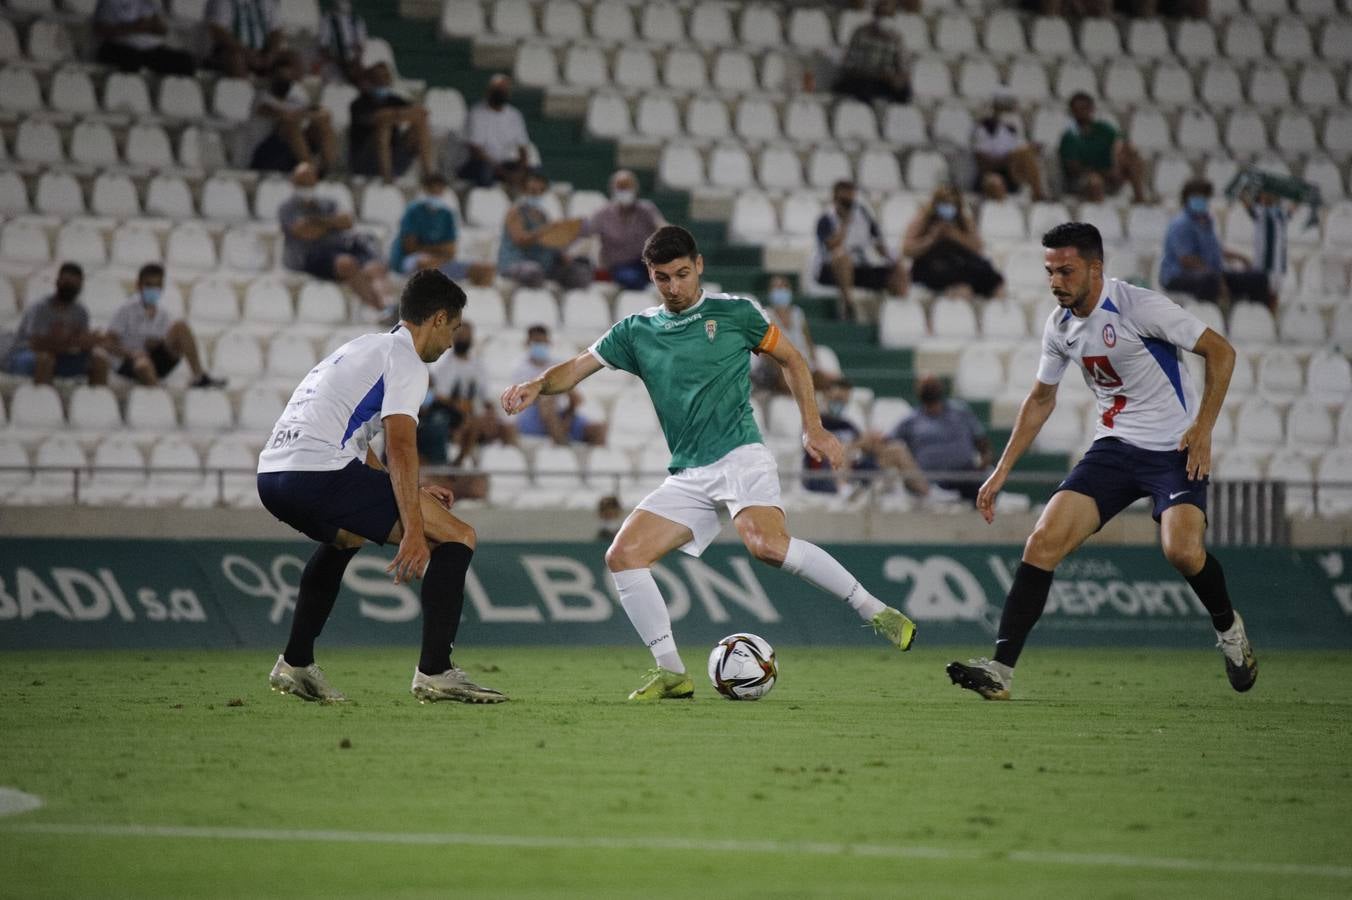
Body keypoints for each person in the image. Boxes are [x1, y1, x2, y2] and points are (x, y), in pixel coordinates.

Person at [501, 225, 918, 701]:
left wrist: (814, 427)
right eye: (663, 278)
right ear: (650, 276)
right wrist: (538, 384)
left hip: (740, 453)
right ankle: (672, 673)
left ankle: (875, 610)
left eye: (682, 274)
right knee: (623, 556)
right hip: (689, 473)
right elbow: (576, 367)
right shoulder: (636, 331)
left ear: (699, 266)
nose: (674, 287)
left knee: (765, 545)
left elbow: (794, 360)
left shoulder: (735, 313)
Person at [947, 222, 1256, 701]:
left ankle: (1230, 632)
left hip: (1173, 449)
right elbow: (1040, 400)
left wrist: (1203, 428)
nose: (1056, 281)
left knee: (1182, 552)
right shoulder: (1060, 325)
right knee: (1042, 541)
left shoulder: (1138, 306)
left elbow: (1221, 351)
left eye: (1066, 271)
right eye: (1050, 271)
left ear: (1096, 268)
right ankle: (1000, 671)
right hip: (1113, 449)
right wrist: (1001, 470)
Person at [257, 270, 506, 704]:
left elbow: (357, 445)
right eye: (454, 329)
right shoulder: (406, 359)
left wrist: (412, 493)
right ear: (439, 318)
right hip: (319, 472)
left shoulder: (362, 347)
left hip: (274, 474)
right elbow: (401, 445)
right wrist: (414, 528)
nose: (451, 343)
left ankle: (296, 664)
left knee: (347, 537)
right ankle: (436, 671)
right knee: (457, 535)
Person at [278, 162, 390, 314]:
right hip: (310, 256)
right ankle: (380, 309)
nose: (306, 186)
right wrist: (332, 223)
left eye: (309, 181)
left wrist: (317, 221)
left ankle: (387, 305)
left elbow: (348, 221)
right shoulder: (288, 207)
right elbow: (305, 233)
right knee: (347, 264)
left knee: (375, 267)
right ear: (293, 182)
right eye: (301, 182)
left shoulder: (327, 202)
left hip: (339, 248)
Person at [102, 264, 225, 389]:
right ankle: (158, 395)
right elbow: (108, 343)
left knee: (181, 327)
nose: (153, 289)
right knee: (143, 365)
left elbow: (166, 345)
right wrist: (132, 353)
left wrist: (158, 343)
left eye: (157, 285)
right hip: (128, 361)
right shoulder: (126, 310)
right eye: (149, 285)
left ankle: (199, 376)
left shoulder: (163, 314)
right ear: (139, 285)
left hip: (154, 360)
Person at [802, 379, 929, 497]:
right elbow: (817, 452)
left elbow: (862, 447)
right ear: (826, 396)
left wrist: (873, 442)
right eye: (837, 399)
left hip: (856, 470)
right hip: (824, 475)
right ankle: (843, 491)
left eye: (843, 401)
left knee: (897, 449)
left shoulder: (848, 425)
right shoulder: (815, 424)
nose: (839, 404)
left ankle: (926, 492)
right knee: (843, 448)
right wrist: (856, 444)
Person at [1160, 178, 1272, 308]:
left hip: (1211, 273)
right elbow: (1187, 260)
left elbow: (1215, 249)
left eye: (1204, 196)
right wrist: (1219, 279)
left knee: (1258, 278)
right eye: (1197, 196)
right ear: (1187, 198)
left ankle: (1253, 317)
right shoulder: (1180, 224)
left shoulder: (1206, 221)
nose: (1201, 199)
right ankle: (1207, 318)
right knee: (1210, 280)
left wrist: (1242, 258)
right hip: (1177, 276)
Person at [419, 320, 517, 468]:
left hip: (475, 413)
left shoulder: (478, 365)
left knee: (508, 427)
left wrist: (491, 413)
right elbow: (441, 398)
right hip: (451, 414)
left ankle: (509, 466)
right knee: (469, 423)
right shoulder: (442, 364)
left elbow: (485, 397)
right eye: (460, 334)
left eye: (467, 335)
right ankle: (459, 463)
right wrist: (465, 411)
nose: (463, 338)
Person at [886, 375, 990, 503]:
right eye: (924, 384)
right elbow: (887, 442)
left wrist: (984, 465)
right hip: (930, 483)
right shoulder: (910, 420)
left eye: (932, 383)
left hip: (964, 476)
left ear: (940, 387)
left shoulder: (961, 412)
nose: (928, 387)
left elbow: (982, 443)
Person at [814, 179, 907, 320]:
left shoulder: (863, 214)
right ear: (835, 198)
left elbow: (877, 241)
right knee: (841, 257)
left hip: (862, 265)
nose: (848, 203)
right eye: (843, 199)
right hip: (832, 270)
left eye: (850, 198)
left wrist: (892, 258)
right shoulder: (826, 219)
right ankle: (848, 306)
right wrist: (845, 223)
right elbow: (831, 246)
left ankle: (899, 311)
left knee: (898, 267)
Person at [5, 263, 108, 386]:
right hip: (27, 356)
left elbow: (82, 341)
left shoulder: (81, 312)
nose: (70, 288)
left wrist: (91, 340)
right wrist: (70, 341)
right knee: (46, 359)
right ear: (58, 282)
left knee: (99, 359)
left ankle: (95, 402)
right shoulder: (40, 308)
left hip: (62, 357)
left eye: (75, 285)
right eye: (67, 283)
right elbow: (35, 344)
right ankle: (44, 402)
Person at [509, 325, 606, 447]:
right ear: (527, 343)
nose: (540, 346)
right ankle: (563, 447)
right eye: (536, 342)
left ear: (549, 342)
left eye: (542, 342)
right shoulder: (520, 368)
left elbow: (575, 398)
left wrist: (567, 418)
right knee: (546, 402)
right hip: (532, 416)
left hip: (560, 414)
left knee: (598, 429)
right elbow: (532, 399)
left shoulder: (557, 365)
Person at [390, 173, 494, 286]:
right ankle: (429, 302)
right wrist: (440, 250)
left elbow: (451, 251)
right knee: (427, 265)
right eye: (432, 190)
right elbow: (410, 247)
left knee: (486, 269)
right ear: (425, 190)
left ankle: (475, 301)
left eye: (439, 190)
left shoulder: (448, 214)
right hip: (411, 262)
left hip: (441, 261)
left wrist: (431, 251)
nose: (435, 194)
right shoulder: (412, 211)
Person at [902, 185, 1004, 299]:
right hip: (932, 266)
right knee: (963, 288)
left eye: (952, 204)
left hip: (959, 264)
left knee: (990, 277)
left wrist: (954, 235)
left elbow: (978, 248)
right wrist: (932, 238)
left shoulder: (963, 221)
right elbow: (907, 250)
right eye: (944, 204)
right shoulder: (924, 219)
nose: (948, 208)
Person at [497, 170, 592, 290]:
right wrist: (547, 229)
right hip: (517, 263)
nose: (536, 195)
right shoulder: (515, 212)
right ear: (524, 190)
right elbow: (520, 240)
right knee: (533, 273)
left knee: (580, 273)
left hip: (545, 266)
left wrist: (562, 254)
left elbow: (550, 242)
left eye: (540, 191)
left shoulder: (543, 216)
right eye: (532, 191)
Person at [248, 51, 338, 174]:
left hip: (295, 150)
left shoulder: (297, 96)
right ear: (272, 77)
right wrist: (304, 114)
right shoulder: (262, 98)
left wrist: (310, 115)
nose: (285, 82)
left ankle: (328, 171)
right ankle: (309, 171)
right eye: (281, 78)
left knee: (323, 125)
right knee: (290, 126)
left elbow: (323, 113)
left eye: (288, 79)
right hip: (268, 153)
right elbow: (285, 116)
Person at [348, 62, 436, 183]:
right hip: (368, 159)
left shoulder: (395, 100)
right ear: (370, 80)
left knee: (420, 123)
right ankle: (387, 177)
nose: (382, 80)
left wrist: (396, 114)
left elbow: (420, 113)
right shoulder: (359, 103)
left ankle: (429, 176)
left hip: (395, 155)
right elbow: (379, 118)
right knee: (384, 126)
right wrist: (399, 115)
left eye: (385, 77)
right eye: (378, 77)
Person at [583, 169, 667, 290]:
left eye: (627, 187)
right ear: (613, 190)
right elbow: (586, 233)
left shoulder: (646, 209)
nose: (624, 192)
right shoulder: (603, 214)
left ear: (635, 188)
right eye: (620, 188)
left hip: (645, 262)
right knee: (633, 279)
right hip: (619, 266)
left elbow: (663, 228)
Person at [1058, 93, 1147, 205]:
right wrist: (1104, 172)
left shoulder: (1104, 129)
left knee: (1133, 158)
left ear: (1091, 109)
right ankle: (1099, 214)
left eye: (1084, 108)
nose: (1081, 112)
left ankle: (1140, 200)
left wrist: (1118, 163)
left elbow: (1120, 143)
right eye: (1077, 109)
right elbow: (1073, 168)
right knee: (1095, 181)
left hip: (1111, 174)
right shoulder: (1069, 136)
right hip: (1083, 179)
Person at [458, 74, 531, 190]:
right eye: (499, 90)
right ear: (489, 91)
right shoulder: (477, 113)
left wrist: (521, 170)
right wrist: (504, 173)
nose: (502, 92)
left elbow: (523, 147)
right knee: (485, 173)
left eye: (505, 90)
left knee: (533, 172)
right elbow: (475, 151)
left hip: (503, 163)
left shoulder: (514, 114)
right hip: (477, 163)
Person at [751, 275, 821, 395]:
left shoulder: (798, 313)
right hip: (779, 366)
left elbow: (808, 342)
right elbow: (763, 350)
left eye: (784, 286)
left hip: (802, 363)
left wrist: (814, 364)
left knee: (826, 380)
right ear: (770, 292)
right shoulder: (766, 315)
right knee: (791, 381)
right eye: (777, 287)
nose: (781, 290)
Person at [832, 0, 911, 104]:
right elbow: (849, 67)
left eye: (888, 16)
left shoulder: (896, 38)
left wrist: (897, 79)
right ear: (875, 15)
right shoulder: (861, 33)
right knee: (863, 87)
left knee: (904, 91)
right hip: (864, 79)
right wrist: (878, 75)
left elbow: (903, 68)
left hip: (884, 82)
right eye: (881, 15)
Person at [971, 92, 1045, 202]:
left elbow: (1019, 153)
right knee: (996, 180)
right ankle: (1038, 194)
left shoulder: (1011, 130)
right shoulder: (983, 129)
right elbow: (983, 164)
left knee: (1028, 153)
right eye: (1002, 109)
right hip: (988, 176)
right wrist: (1008, 158)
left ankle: (1038, 193)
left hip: (1010, 174)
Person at [93, 0, 197, 75]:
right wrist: (135, 27)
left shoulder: (149, 3)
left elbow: (162, 30)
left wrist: (155, 25)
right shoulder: (110, 2)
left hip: (149, 49)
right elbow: (101, 29)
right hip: (119, 45)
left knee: (185, 61)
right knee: (131, 60)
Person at [204, 0, 282, 78]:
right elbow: (218, 31)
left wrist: (271, 54)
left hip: (262, 53)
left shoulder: (267, 2)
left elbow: (276, 31)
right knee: (236, 59)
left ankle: (277, 87)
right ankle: (242, 88)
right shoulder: (222, 2)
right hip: (232, 51)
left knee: (291, 58)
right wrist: (247, 53)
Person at [316, 0, 372, 85]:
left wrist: (356, 58)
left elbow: (361, 45)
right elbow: (323, 47)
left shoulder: (357, 20)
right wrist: (337, 59)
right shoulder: (327, 20)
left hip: (353, 60)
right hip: (336, 60)